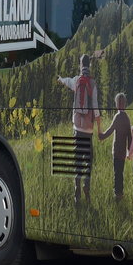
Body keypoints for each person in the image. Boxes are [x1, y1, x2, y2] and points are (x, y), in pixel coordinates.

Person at [57, 54, 100, 205]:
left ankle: (77, 195)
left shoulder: (76, 81)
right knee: (87, 162)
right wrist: (99, 128)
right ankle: (86, 192)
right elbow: (95, 108)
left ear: (80, 65)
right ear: (90, 65)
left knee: (77, 162)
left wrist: (60, 79)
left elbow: (66, 81)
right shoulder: (93, 83)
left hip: (77, 129)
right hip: (88, 130)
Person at [97, 93, 132, 201]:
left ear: (117, 104)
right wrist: (129, 151)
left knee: (117, 173)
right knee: (120, 173)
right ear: (125, 104)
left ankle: (117, 195)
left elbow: (110, 131)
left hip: (116, 151)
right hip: (122, 152)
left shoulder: (117, 117)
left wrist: (101, 134)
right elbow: (130, 136)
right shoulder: (127, 118)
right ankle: (120, 193)